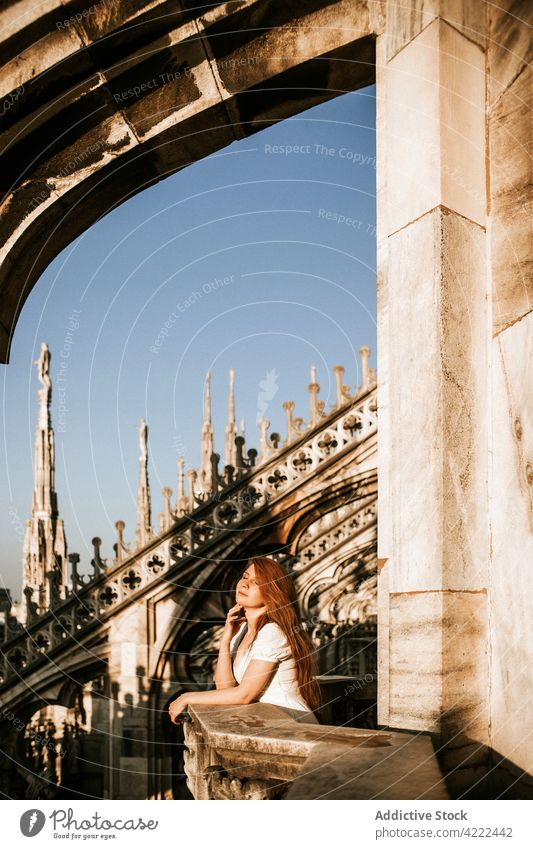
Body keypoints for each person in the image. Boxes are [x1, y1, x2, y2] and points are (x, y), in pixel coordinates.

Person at [168, 556, 322, 724]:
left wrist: (186, 697)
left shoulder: (272, 632)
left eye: (257, 582)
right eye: (245, 577)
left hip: (294, 726)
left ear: (273, 593)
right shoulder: (242, 631)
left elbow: (244, 695)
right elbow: (225, 689)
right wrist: (226, 640)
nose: (244, 584)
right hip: (269, 723)